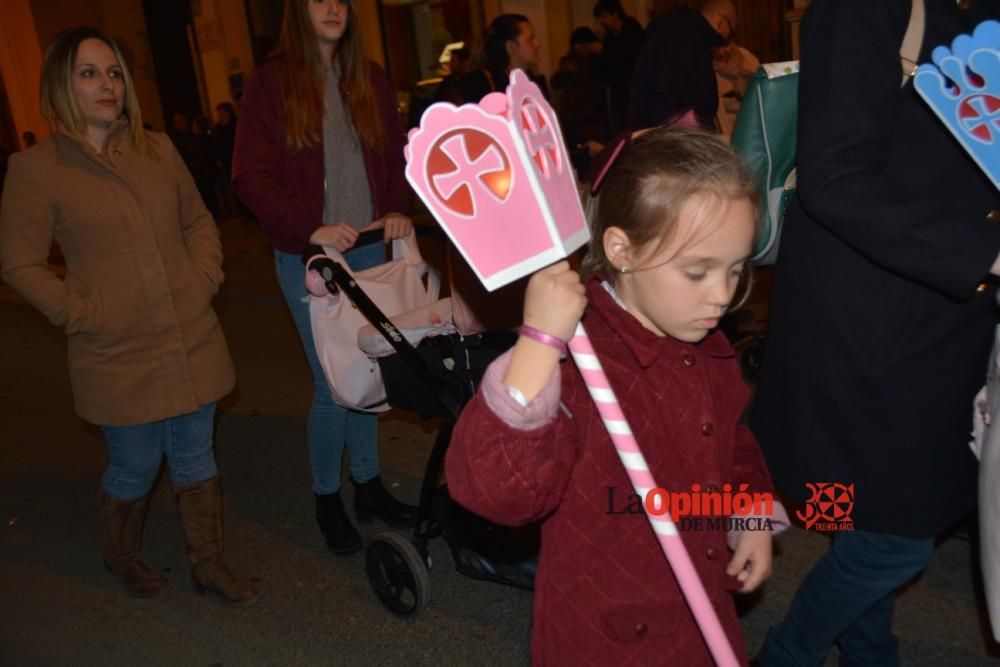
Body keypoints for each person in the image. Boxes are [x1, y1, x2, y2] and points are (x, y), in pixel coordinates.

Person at [446, 127, 788, 665]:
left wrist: (748, 510)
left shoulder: (705, 341)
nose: (722, 295)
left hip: (700, 616)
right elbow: (497, 493)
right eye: (697, 271)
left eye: (736, 270)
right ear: (622, 250)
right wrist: (538, 345)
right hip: (607, 638)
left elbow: (732, 438)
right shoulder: (580, 364)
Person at [750, 1, 1000, 664]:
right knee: (896, 531)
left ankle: (868, 648)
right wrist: (985, 252)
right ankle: (789, 651)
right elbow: (834, 176)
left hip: (948, 318)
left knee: (865, 509)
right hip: (865, 321)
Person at [0, 26, 256, 603]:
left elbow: (198, 221)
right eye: (89, 73)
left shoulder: (156, 148)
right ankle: (121, 553)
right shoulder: (36, 169)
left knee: (196, 454)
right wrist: (82, 313)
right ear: (61, 85)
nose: (106, 84)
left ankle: (208, 563)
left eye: (113, 72)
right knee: (135, 465)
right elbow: (19, 263)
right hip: (115, 350)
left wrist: (204, 277)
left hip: (188, 332)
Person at [232, 0, 416, 556]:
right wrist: (309, 227)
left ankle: (368, 486)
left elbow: (395, 160)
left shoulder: (371, 79)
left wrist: (398, 208)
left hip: (369, 254)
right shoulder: (272, 83)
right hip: (312, 259)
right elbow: (249, 176)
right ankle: (326, 497)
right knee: (334, 386)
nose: (333, 6)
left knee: (370, 374)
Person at [628, 0, 736, 131]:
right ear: (721, 21)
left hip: (665, 133)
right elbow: (667, 94)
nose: (726, 38)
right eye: (731, 31)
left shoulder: (679, 32)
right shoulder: (685, 36)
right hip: (674, 137)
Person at [551, 27, 610, 175]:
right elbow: (555, 83)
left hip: (595, 117)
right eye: (578, 44)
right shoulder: (568, 62)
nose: (582, 48)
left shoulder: (598, 62)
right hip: (574, 118)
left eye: (585, 43)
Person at [459, 14, 544, 103]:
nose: (537, 44)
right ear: (511, 47)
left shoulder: (532, 81)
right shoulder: (480, 83)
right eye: (530, 39)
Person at [593, 0, 645, 133]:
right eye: (600, 17)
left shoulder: (632, 30)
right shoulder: (609, 38)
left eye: (604, 16)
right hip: (617, 92)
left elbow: (632, 57)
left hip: (634, 90)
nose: (602, 21)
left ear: (615, 13)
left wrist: (603, 51)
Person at [712, 39, 759, 138]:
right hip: (723, 138)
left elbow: (761, 100)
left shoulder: (746, 57)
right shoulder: (701, 68)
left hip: (754, 132)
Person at [212, 102, 241, 220]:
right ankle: (234, 214)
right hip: (223, 162)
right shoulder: (218, 127)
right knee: (228, 189)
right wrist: (217, 158)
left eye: (221, 111)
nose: (219, 114)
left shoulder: (235, 124)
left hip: (234, 159)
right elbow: (216, 144)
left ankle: (242, 213)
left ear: (227, 112)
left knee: (238, 187)